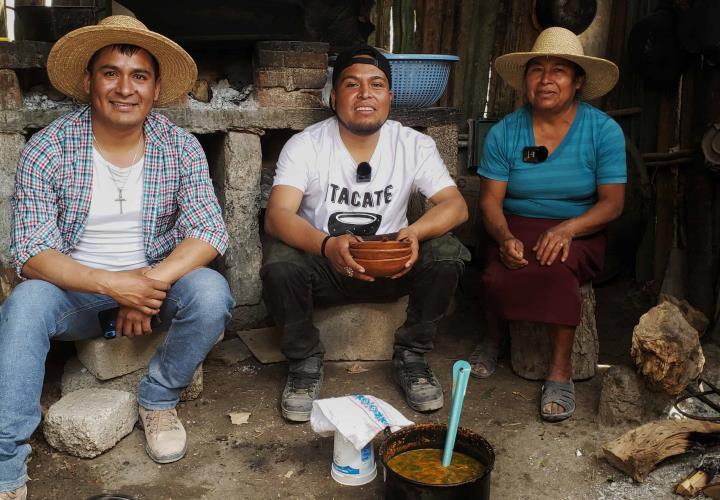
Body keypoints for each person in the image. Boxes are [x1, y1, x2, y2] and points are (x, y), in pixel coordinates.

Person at [0, 15, 234, 499]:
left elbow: (209, 231)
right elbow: (31, 253)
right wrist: (113, 285)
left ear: (155, 88)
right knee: (24, 304)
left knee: (211, 291)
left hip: (152, 293)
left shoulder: (180, 147)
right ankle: (5, 465)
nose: (124, 88)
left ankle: (158, 398)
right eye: (111, 73)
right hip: (74, 296)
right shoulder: (49, 148)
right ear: (88, 82)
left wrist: (145, 284)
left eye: (139, 76)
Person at [262, 45, 469, 422]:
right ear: (333, 96)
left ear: (390, 97)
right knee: (280, 261)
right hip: (328, 263)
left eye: (376, 84)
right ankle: (305, 360)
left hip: (394, 264)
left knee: (448, 252)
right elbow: (277, 216)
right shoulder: (306, 144)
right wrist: (326, 245)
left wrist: (414, 235)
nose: (365, 94)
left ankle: (412, 355)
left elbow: (456, 205)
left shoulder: (413, 145)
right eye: (351, 84)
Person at [469, 27, 626, 422]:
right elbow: (490, 200)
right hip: (517, 219)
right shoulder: (506, 131)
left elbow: (612, 204)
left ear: (577, 82)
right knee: (497, 267)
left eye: (559, 70)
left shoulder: (602, 131)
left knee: (556, 270)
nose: (545, 79)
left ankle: (560, 373)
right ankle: (492, 338)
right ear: (526, 80)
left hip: (581, 224)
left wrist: (568, 229)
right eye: (536, 69)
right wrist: (504, 235)